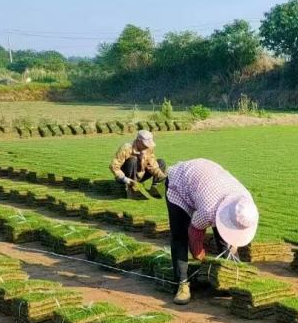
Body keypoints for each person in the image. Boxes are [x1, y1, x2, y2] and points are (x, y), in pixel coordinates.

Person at [165, 157, 259, 305]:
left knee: (225, 241)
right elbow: (194, 232)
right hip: (181, 182)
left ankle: (230, 277)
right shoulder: (208, 210)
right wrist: (198, 253)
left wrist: (233, 250)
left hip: (210, 183)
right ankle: (182, 283)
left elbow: (230, 236)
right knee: (180, 235)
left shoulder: (245, 201)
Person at [109, 130, 166, 198]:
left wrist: (164, 177)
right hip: (126, 177)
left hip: (140, 175)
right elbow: (114, 166)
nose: (147, 147)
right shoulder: (126, 148)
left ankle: (155, 189)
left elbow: (153, 166)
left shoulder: (149, 148)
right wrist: (125, 179)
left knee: (161, 162)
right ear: (138, 141)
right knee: (132, 160)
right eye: (145, 144)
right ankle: (132, 188)